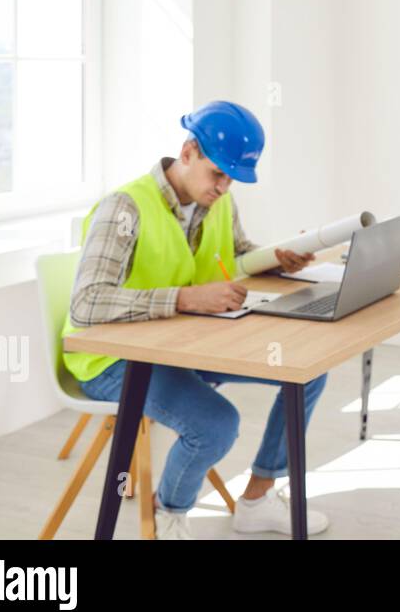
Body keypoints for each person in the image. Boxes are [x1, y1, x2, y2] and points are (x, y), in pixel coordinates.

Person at [64, 100, 329, 539]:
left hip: (184, 342)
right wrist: (185, 299)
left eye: (232, 178)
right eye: (218, 173)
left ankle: (258, 500)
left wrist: (276, 260)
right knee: (215, 424)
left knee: (308, 371)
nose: (224, 187)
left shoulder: (218, 201)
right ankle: (167, 515)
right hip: (110, 360)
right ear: (188, 152)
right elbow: (86, 305)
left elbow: (238, 254)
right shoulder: (124, 209)